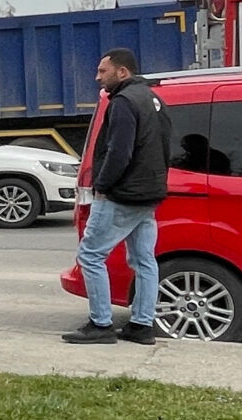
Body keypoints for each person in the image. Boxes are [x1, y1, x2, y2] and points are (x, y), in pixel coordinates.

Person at [66, 47, 172, 345]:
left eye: (103, 71)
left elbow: (119, 151)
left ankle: (100, 324)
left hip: (122, 194)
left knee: (90, 254)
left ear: (121, 72)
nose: (98, 77)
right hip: (148, 193)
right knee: (144, 259)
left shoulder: (123, 102)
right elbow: (163, 148)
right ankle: (142, 325)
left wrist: (102, 184)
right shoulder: (154, 100)